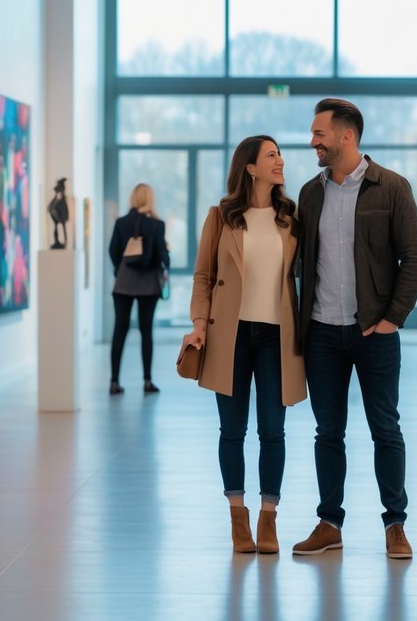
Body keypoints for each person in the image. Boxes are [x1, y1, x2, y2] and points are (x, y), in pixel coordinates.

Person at [291, 98, 417, 560]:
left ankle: (395, 524)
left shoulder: (391, 188)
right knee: (328, 432)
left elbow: (415, 256)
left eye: (319, 134)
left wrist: (392, 319)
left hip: (375, 333)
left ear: (346, 136)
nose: (312, 142)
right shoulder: (311, 193)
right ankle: (330, 523)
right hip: (322, 333)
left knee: (385, 429)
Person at [182, 135, 306, 555]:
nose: (281, 161)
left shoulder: (291, 218)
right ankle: (238, 518)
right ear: (250, 167)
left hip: (276, 336)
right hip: (229, 337)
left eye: (280, 155)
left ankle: (268, 517)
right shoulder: (221, 216)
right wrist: (199, 324)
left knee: (273, 431)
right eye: (272, 155)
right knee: (232, 431)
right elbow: (203, 276)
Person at [108, 183, 170, 395]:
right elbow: (162, 254)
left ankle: (114, 382)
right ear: (149, 199)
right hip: (148, 284)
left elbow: (113, 250)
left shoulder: (122, 223)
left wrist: (120, 270)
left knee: (120, 330)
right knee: (146, 332)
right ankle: (147, 381)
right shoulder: (157, 224)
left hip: (124, 282)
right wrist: (165, 266)